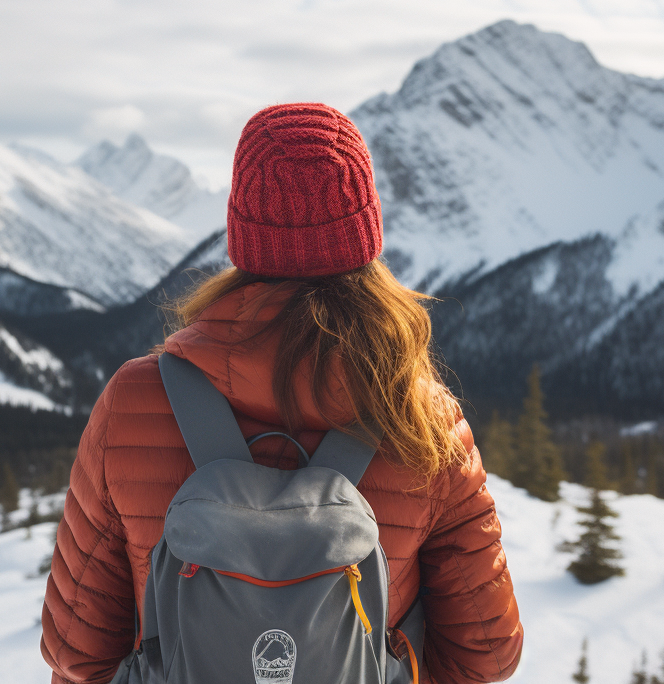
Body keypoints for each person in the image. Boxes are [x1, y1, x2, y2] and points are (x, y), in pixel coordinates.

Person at [41, 103, 523, 683]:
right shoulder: (421, 417)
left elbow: (75, 651)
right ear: (364, 236)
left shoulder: (134, 402)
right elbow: (489, 653)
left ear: (243, 232)